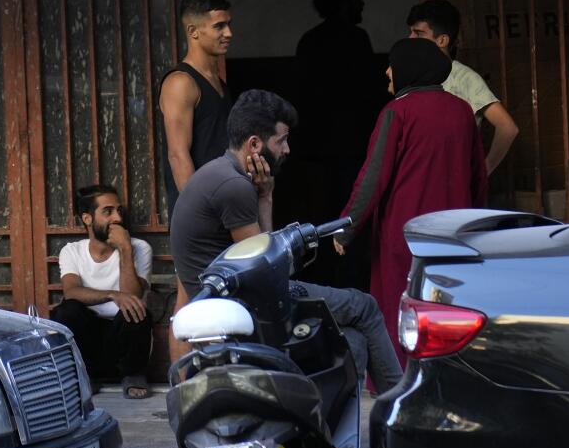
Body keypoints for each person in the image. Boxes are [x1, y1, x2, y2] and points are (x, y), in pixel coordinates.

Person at [171, 89, 400, 395]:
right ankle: (398, 409)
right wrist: (265, 196)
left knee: (353, 341)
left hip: (238, 298)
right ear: (255, 144)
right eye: (281, 140)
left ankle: (338, 422)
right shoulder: (233, 187)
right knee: (366, 307)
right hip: (247, 304)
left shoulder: (218, 172)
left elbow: (258, 255)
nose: (287, 149)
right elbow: (265, 268)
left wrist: (265, 195)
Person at [338, 37, 488, 373]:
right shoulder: (461, 110)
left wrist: (346, 227)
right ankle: (445, 375)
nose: (387, 71)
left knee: (399, 306)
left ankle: (400, 380)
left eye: (392, 64)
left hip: (405, 237)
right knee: (448, 310)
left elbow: (373, 177)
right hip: (454, 236)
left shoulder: (397, 112)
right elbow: (478, 176)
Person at [291, 0, 388, 285]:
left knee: (319, 224)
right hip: (351, 148)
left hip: (315, 153)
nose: (362, 3)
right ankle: (351, 284)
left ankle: (323, 284)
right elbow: (372, 93)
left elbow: (300, 97)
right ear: (346, 2)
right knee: (352, 220)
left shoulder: (309, 41)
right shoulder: (356, 39)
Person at [52, 183, 155, 399]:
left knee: (136, 310)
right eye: (107, 212)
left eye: (119, 210)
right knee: (67, 310)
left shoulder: (140, 247)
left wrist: (125, 249)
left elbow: (133, 294)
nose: (117, 218)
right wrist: (112, 294)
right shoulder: (72, 251)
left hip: (123, 342)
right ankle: (84, 375)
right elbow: (71, 291)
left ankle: (134, 375)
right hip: (89, 344)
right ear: (87, 219)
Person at [407, 0, 518, 174]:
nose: (410, 38)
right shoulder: (413, 75)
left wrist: (483, 171)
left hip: (456, 180)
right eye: (411, 32)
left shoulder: (465, 78)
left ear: (442, 40)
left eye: (419, 33)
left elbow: (507, 127)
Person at [159, 0, 234, 214]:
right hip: (200, 216)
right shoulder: (181, 82)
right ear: (193, 31)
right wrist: (202, 214)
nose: (228, 33)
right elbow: (178, 155)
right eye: (219, 26)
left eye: (229, 24)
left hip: (224, 207)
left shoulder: (219, 83)